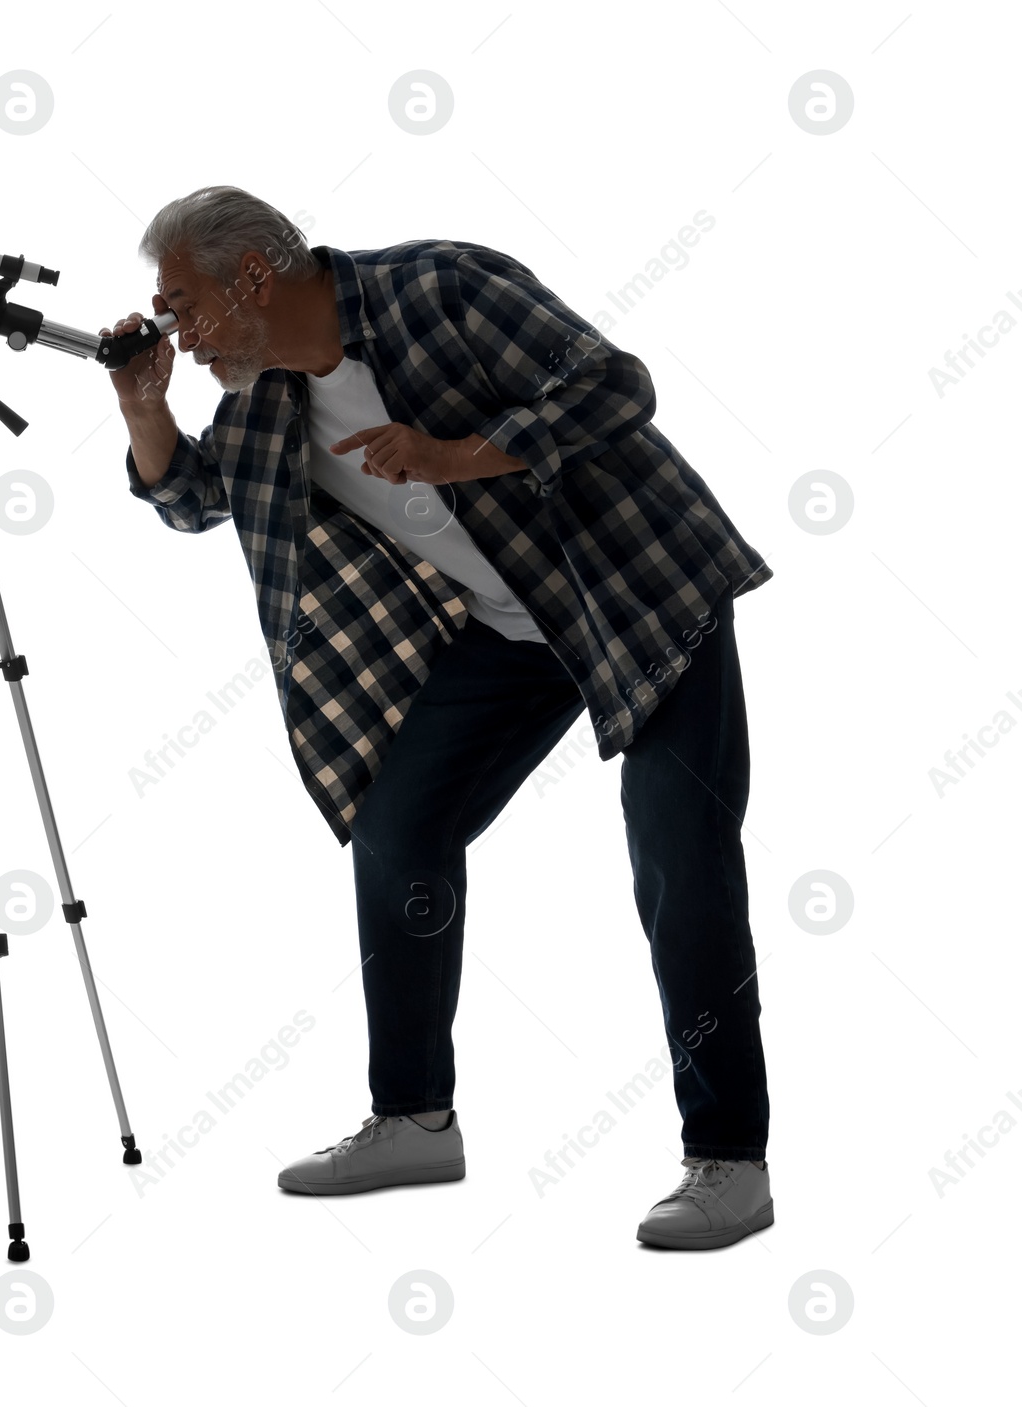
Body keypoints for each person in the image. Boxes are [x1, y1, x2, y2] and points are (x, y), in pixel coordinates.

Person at [104, 185, 773, 1250]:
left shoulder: (439, 286)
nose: (179, 337)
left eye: (183, 307)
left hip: (639, 587)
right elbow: (189, 500)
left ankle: (729, 1162)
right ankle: (413, 1118)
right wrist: (145, 408)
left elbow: (614, 386)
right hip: (513, 634)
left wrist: (458, 453)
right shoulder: (267, 401)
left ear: (255, 278)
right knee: (398, 828)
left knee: (676, 858)